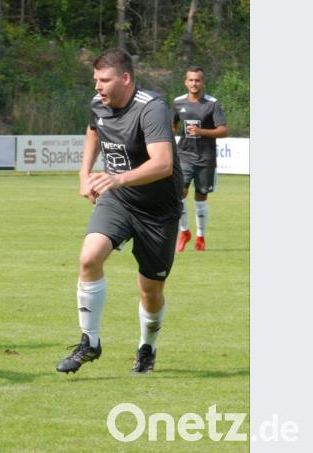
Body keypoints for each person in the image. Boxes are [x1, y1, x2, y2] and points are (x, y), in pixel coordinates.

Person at [55, 48, 183, 375]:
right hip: (120, 199)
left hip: (158, 210)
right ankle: (90, 342)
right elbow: (93, 131)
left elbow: (164, 164)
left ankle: (146, 348)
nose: (97, 86)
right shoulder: (98, 104)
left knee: (150, 291)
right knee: (89, 257)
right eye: (96, 79)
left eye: (104, 80)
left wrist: (117, 178)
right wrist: (85, 174)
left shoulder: (151, 108)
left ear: (125, 79)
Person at [172, 66, 228, 252]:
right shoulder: (178, 102)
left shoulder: (212, 103)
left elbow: (223, 130)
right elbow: (172, 126)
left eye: (197, 80)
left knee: (201, 198)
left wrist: (201, 131)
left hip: (206, 158)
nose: (194, 83)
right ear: (185, 82)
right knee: (178, 195)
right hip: (184, 156)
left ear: (202, 82)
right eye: (191, 80)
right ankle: (184, 232)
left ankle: (200, 237)